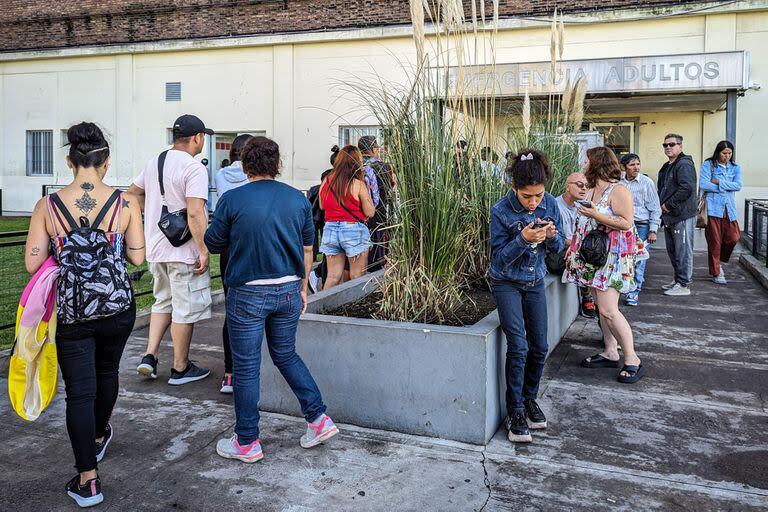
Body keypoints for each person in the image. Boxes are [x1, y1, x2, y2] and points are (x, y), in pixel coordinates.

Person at [24, 122, 145, 508]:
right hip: (117, 307)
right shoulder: (126, 204)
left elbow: (32, 263)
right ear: (105, 163)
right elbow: (137, 257)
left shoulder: (47, 206)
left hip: (74, 311)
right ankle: (97, 436)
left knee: (79, 390)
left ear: (69, 161)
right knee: (108, 373)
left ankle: (88, 480)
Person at [205, 136, 339, 463]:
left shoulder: (233, 200)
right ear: (277, 164)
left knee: (247, 365)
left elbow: (213, 242)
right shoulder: (296, 200)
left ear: (246, 164)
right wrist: (303, 287)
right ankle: (318, 418)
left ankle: (247, 441)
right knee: (286, 354)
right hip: (290, 289)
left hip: (248, 291)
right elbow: (309, 249)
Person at [128, 114, 213, 385]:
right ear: (197, 137)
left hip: (156, 247)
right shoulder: (194, 168)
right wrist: (203, 249)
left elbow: (132, 193)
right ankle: (180, 367)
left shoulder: (155, 161)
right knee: (184, 309)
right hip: (183, 251)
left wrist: (153, 213)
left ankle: (149, 357)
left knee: (162, 301)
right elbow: (196, 212)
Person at [490, 149, 564, 444]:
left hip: (535, 280)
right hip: (506, 282)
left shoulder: (550, 204)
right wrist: (522, 239)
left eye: (538, 195)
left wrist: (552, 236)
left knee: (540, 346)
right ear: (513, 188)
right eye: (526, 196)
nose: (534, 202)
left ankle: (530, 398)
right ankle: (515, 409)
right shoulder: (500, 211)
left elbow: (558, 249)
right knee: (518, 347)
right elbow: (498, 261)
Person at [565, 146, 647, 384]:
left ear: (597, 163)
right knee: (601, 306)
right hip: (593, 257)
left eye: (587, 161)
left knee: (609, 309)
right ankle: (611, 351)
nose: (584, 165)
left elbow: (626, 223)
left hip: (613, 257)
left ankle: (632, 358)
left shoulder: (618, 190)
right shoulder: (590, 189)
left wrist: (596, 216)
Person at [213, 134, 254, 394]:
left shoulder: (220, 175)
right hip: (251, 243)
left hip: (228, 245)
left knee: (232, 311)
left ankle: (230, 373)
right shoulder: (253, 176)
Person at [319, 145, 376, 289]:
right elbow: (370, 212)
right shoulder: (358, 184)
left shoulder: (326, 181)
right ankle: (350, 310)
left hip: (330, 229)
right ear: (356, 162)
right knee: (356, 276)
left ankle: (324, 308)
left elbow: (322, 206)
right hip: (353, 230)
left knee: (332, 276)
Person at [657, 133, 697, 296]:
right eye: (665, 145)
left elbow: (686, 188)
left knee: (683, 251)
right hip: (670, 216)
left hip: (682, 215)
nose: (668, 147)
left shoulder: (684, 164)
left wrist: (667, 205)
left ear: (680, 146)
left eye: (672, 144)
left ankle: (684, 284)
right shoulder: (668, 166)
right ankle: (678, 280)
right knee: (673, 250)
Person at [620, 153, 662, 306]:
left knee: (638, 259)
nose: (636, 167)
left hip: (642, 226)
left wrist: (653, 230)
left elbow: (655, 208)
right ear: (623, 167)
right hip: (623, 225)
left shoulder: (646, 183)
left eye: (638, 164)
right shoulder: (619, 183)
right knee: (623, 257)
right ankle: (623, 287)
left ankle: (634, 292)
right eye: (632, 165)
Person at [554, 172, 597, 318]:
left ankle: (601, 302)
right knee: (584, 261)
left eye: (586, 186)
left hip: (576, 250)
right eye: (579, 185)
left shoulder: (582, 206)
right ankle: (587, 297)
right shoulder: (555, 206)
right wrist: (577, 246)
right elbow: (556, 238)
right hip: (557, 253)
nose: (584, 189)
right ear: (567, 187)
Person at [699, 140, 742, 285]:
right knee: (715, 242)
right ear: (718, 152)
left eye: (730, 153)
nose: (727, 156)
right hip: (713, 208)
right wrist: (724, 187)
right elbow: (704, 184)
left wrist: (719, 183)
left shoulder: (735, 168)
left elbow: (738, 185)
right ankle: (717, 272)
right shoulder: (708, 165)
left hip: (729, 208)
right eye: (724, 153)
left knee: (734, 237)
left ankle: (719, 261)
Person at [306, 145, 340, 293]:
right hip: (329, 221)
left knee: (330, 256)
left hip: (326, 221)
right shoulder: (332, 178)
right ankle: (319, 275)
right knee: (331, 257)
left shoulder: (330, 177)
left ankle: (319, 274)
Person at [358, 135, 394, 271]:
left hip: (357, 215)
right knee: (378, 253)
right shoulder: (384, 166)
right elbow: (391, 185)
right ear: (374, 149)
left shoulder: (354, 166)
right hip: (379, 214)